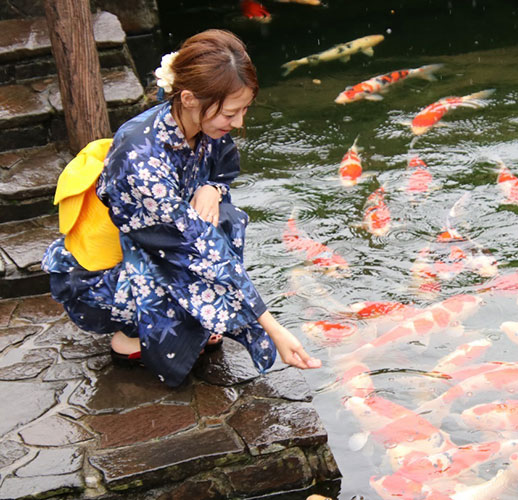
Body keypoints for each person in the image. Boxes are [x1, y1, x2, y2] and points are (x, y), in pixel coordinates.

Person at [42, 29, 321, 387]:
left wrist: (212, 187)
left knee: (223, 219)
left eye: (243, 110)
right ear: (188, 97)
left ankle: (201, 319)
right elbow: (196, 250)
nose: (239, 124)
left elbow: (224, 164)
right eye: (231, 114)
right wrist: (272, 327)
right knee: (192, 259)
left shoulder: (197, 121)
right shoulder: (140, 158)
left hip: (171, 238)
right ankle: (130, 337)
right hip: (127, 261)